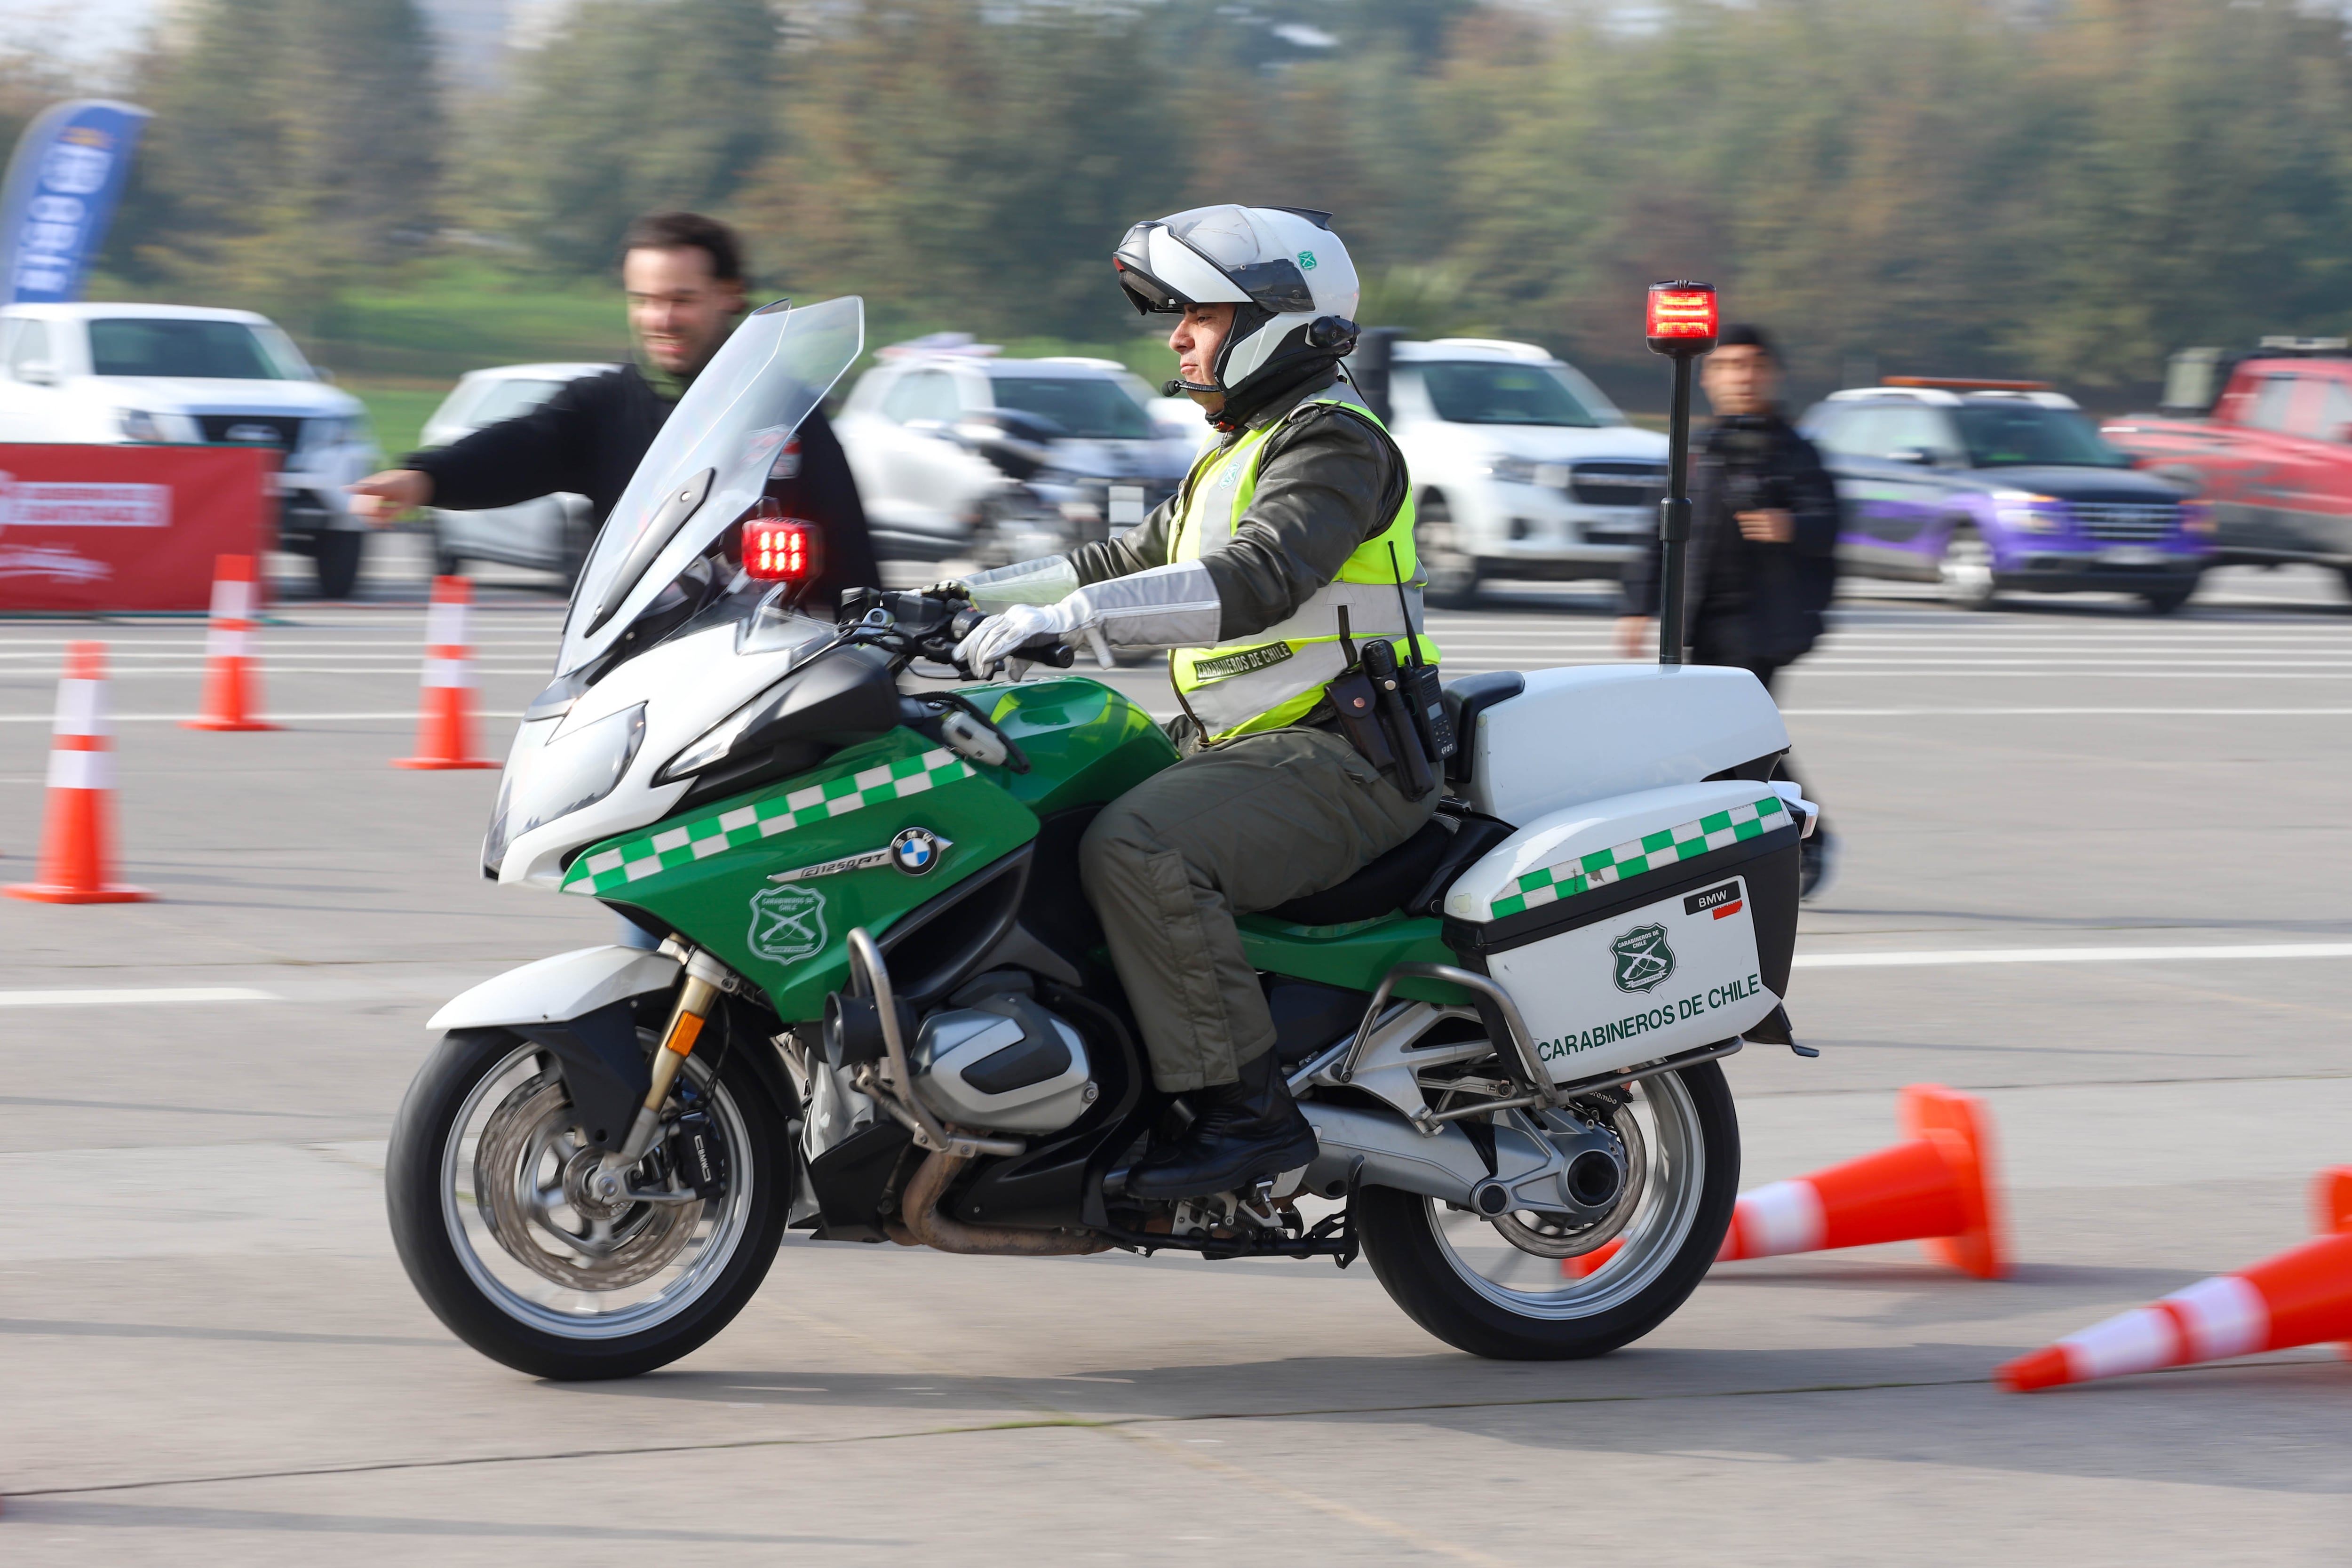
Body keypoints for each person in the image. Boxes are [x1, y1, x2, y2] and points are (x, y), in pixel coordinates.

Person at [951, 205, 1435, 1201]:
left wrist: (1077, 618)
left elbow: (1261, 574)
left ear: (1274, 318)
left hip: (1340, 759)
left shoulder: (1336, 445)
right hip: (1245, 751)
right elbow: (1115, 562)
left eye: (1198, 314)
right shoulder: (1232, 456)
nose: (1175, 335)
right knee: (1027, 806)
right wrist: (953, 598)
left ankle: (1242, 1114)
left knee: (1140, 848)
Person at [347, 210, 879, 614]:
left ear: (729, 295)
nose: (660, 319)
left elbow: (850, 555)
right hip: (630, 664)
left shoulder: (786, 410)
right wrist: (423, 478)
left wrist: (865, 633)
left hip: (762, 679)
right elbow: (522, 445)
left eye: (681, 299)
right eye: (644, 299)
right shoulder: (603, 407)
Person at [1615, 323, 1840, 898]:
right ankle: (1765, 842)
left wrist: (1791, 525)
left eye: (1754, 367)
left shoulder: (1794, 451)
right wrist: (1637, 606)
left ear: (1772, 375)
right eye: (1730, 367)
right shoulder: (1696, 448)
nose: (1742, 378)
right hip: (1703, 622)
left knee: (1739, 743)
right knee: (1724, 744)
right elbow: (1657, 531)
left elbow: (1830, 522)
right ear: (1709, 377)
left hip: (1763, 626)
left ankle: (1803, 838)